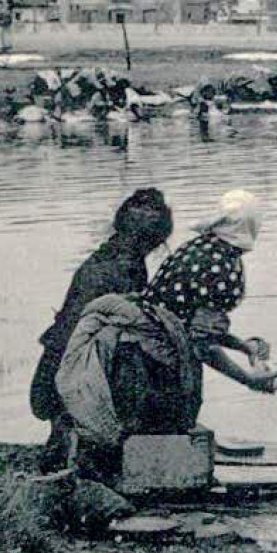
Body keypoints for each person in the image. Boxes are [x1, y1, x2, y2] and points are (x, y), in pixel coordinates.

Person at [55, 189, 277, 485]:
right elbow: (199, 344)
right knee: (173, 427)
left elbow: (183, 317)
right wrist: (248, 380)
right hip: (151, 366)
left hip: (132, 358)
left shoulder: (197, 247)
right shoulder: (226, 267)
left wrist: (243, 346)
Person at [30, 188, 175, 470]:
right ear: (155, 241)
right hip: (68, 378)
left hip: (50, 375)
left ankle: (66, 436)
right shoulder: (126, 269)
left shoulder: (101, 258)